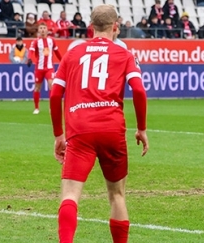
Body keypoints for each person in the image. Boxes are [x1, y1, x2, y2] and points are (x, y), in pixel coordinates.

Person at [49, 4, 148, 243]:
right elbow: (139, 91)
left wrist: (58, 135)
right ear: (116, 27)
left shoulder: (73, 52)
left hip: (80, 131)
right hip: (112, 130)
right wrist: (142, 129)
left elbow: (54, 94)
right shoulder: (124, 54)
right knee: (117, 195)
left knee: (71, 195)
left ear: (90, 27)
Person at [27, 22, 62, 114]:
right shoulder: (36, 41)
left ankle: (51, 107)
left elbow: (57, 51)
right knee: (37, 88)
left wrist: (62, 61)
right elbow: (31, 51)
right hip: (39, 68)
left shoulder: (52, 40)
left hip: (49, 68)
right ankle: (36, 108)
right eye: (41, 28)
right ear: (38, 30)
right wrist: (29, 59)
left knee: (51, 85)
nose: (42, 30)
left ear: (47, 30)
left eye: (44, 28)